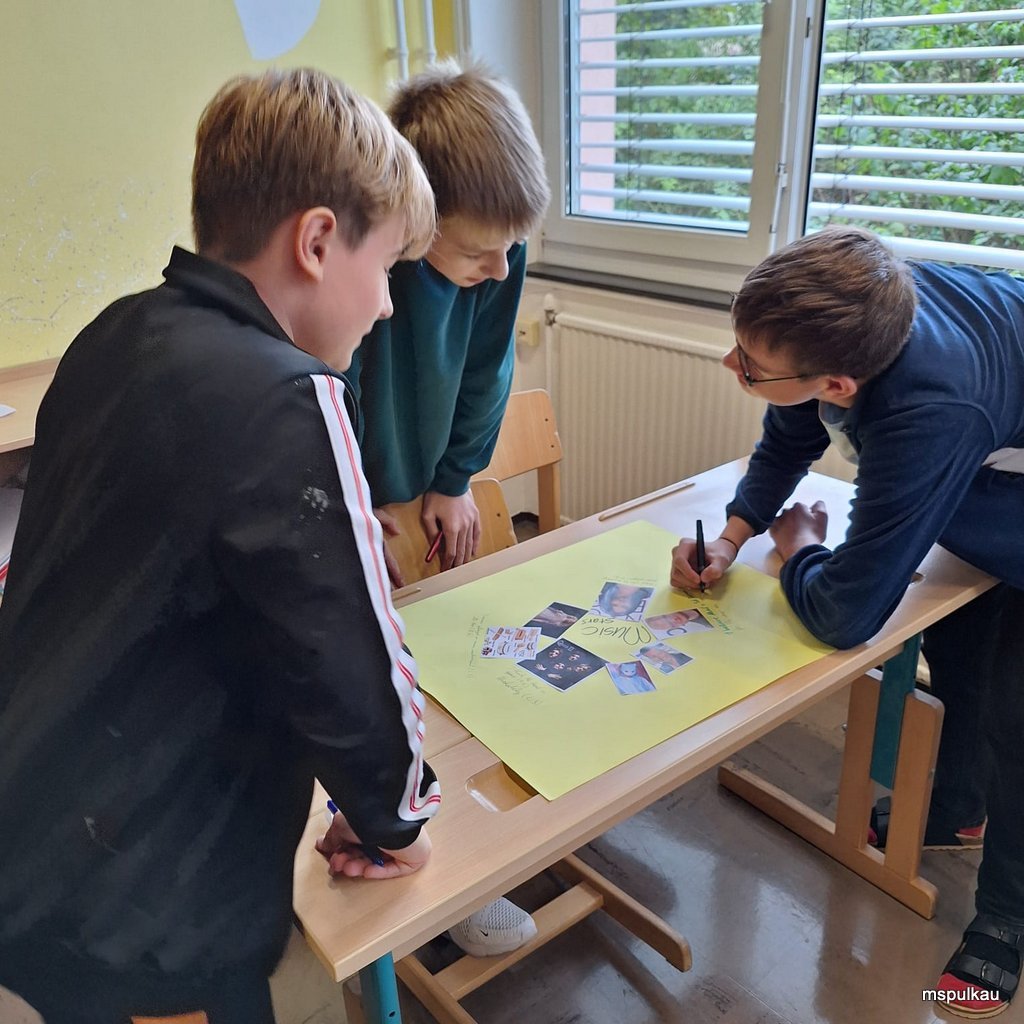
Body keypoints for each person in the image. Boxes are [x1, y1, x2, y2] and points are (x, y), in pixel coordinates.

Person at [0, 69, 442, 1024]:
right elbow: (348, 657)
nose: (387, 306)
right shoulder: (292, 395)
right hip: (151, 900)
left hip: (40, 827)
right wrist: (396, 817)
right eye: (387, 268)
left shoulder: (115, 332)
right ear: (317, 242)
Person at [669, 226, 1024, 1019]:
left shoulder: (929, 411)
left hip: (994, 461)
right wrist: (731, 537)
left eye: (748, 365)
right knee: (961, 648)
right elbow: (790, 429)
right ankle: (956, 810)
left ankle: (1006, 918)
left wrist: (798, 549)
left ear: (839, 382)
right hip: (991, 444)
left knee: (1017, 709)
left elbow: (844, 615)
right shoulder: (850, 324)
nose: (731, 365)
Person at [348, 60, 550, 578]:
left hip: (437, 486)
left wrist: (455, 479)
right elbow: (334, 391)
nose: (500, 269)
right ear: (415, 221)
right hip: (362, 499)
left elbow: (490, 371)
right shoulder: (369, 260)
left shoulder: (500, 254)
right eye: (476, 252)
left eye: (514, 245)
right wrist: (349, 500)